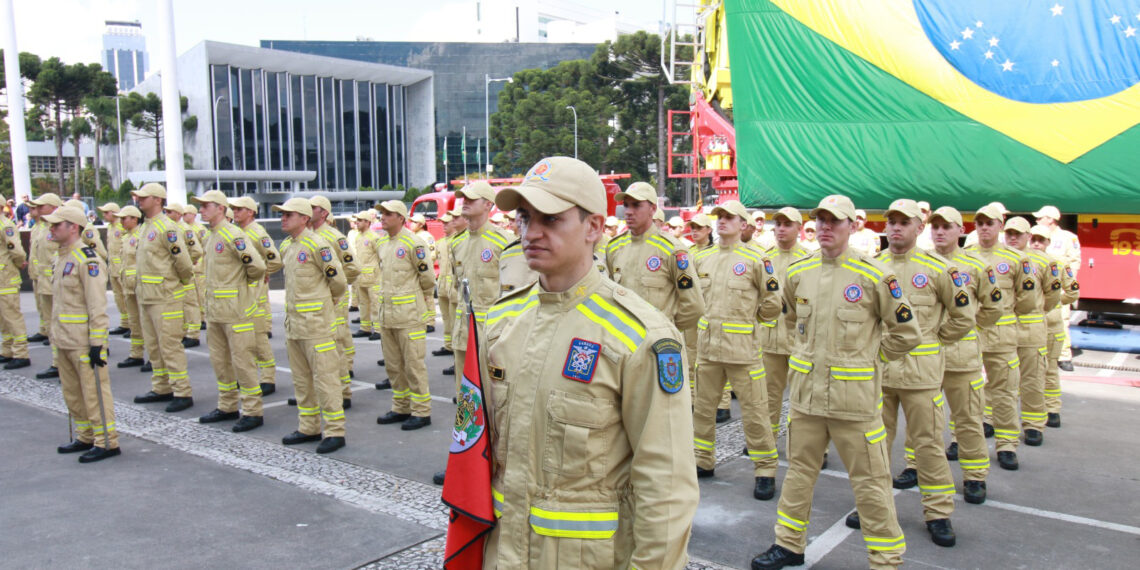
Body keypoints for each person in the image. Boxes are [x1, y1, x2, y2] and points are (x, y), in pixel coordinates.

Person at [484, 156, 699, 568]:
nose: (531, 232)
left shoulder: (639, 336)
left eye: (550, 218)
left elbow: (666, 483)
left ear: (594, 227)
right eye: (525, 218)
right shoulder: (500, 321)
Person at [752, 195, 920, 570]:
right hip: (807, 398)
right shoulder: (799, 272)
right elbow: (792, 316)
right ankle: (788, 545)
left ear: (852, 226)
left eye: (835, 221)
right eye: (821, 220)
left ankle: (886, 559)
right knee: (798, 472)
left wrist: (870, 358)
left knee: (872, 482)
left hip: (854, 402)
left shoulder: (875, 275)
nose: (826, 227)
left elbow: (907, 333)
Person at [845, 199, 973, 547]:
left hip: (921, 376)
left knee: (929, 445)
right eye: (892, 222)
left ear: (920, 227)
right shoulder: (871, 267)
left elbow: (963, 317)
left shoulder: (939, 268)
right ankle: (873, 507)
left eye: (905, 222)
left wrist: (932, 341)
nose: (897, 227)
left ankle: (938, 513)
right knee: (874, 447)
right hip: (880, 376)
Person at [692, 200, 782, 499]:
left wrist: (748, 322)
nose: (722, 222)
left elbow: (772, 303)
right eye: (719, 217)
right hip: (708, 349)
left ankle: (765, 469)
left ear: (743, 224)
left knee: (755, 413)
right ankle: (703, 460)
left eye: (729, 218)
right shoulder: (703, 259)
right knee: (703, 410)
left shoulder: (758, 259)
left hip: (743, 351)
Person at [926, 206, 1003, 504]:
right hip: (925, 359)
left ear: (960, 230)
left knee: (969, 419)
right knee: (925, 423)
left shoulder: (976, 265)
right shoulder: (920, 264)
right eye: (936, 227)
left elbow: (994, 306)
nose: (940, 232)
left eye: (947, 227)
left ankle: (974, 476)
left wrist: (967, 329)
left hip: (961, 357)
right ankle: (915, 466)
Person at [44, 205, 120, 463]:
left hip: (83, 341)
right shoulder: (61, 257)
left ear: (73, 227)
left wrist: (98, 341)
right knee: (72, 392)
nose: (51, 229)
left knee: (94, 391)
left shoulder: (87, 259)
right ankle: (85, 435)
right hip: (63, 338)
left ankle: (106, 442)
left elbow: (97, 304)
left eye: (57, 225)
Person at [274, 197, 348, 453]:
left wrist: (326, 305)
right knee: (302, 380)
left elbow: (338, 282)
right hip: (295, 325)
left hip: (317, 325)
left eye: (289, 214)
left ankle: (335, 431)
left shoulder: (318, 245)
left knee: (326, 379)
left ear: (304, 218)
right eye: (282, 214)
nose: (283, 218)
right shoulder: (288, 246)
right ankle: (308, 426)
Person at [965, 204, 1035, 470]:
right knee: (966, 394)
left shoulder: (1017, 259)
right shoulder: (963, 256)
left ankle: (1006, 444)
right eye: (980, 222)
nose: (984, 227)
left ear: (1000, 225)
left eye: (990, 223)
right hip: (970, 335)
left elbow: (1027, 301)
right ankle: (962, 440)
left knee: (1004, 392)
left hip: (1003, 336)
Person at [192, 190, 267, 431]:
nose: (201, 210)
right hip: (215, 312)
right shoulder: (210, 236)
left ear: (220, 209)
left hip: (236, 311)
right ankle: (227, 405)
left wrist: (240, 290)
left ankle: (253, 411)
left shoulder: (234, 235)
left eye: (206, 206)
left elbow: (257, 267)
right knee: (220, 361)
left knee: (242, 362)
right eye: (200, 206)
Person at [129, 183, 196, 413]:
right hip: (147, 296)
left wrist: (178, 284)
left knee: (169, 346)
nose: (139, 201)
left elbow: (184, 263)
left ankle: (182, 391)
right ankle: (161, 387)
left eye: (143, 198)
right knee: (154, 346)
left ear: (157, 200)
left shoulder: (167, 228)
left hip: (166, 296)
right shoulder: (146, 226)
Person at [606, 181, 704, 333]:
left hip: (656, 345)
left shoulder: (672, 250)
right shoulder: (614, 247)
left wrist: (665, 330)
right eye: (626, 205)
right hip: (623, 341)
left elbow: (694, 306)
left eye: (636, 205)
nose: (629, 211)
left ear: (652, 209)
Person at [373, 200, 437, 430]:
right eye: (382, 213)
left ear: (401, 218)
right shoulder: (382, 244)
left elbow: (427, 279)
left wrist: (421, 301)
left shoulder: (414, 242)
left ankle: (421, 411)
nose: (383, 217)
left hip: (409, 315)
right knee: (393, 365)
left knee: (413, 365)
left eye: (388, 214)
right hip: (387, 315)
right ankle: (401, 407)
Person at [1004, 216, 1062, 448]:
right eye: (1009, 233)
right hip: (1002, 329)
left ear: (1028, 237)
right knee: (1000, 382)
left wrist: (1033, 311)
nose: (1013, 238)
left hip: (1030, 328)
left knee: (1032, 379)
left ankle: (1033, 424)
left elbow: (1053, 296)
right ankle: (994, 422)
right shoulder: (996, 260)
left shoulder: (1044, 262)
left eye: (1018, 234)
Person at [759, 207, 811, 443]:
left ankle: (807, 444)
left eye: (787, 224)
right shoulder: (764, 258)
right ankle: (768, 437)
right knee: (769, 394)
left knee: (804, 396)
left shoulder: (809, 259)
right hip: (770, 338)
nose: (781, 229)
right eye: (777, 224)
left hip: (799, 340)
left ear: (799, 228)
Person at [309, 196, 361, 407]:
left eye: (312, 208)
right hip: (313, 303)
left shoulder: (334, 237)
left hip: (332, 300)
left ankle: (343, 392)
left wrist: (335, 290)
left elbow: (352, 267)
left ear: (323, 212)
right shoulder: (308, 236)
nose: (308, 210)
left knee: (334, 346)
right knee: (315, 348)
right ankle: (320, 391)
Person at [230, 196, 282, 395]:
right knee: (244, 338)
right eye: (234, 209)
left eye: (239, 209)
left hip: (255, 292)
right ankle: (249, 376)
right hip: (242, 292)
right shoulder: (238, 232)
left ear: (250, 212)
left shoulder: (257, 232)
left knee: (259, 336)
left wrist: (263, 274)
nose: (235, 212)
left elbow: (274, 260)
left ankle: (268, 378)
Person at [1028, 225, 1080, 427]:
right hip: (1030, 326)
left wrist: (1055, 302)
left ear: (1049, 242)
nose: (1037, 244)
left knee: (1049, 369)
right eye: (1034, 240)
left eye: (1041, 240)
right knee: (1029, 373)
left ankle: (1052, 409)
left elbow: (1073, 292)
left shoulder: (1059, 263)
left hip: (1051, 325)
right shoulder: (1020, 263)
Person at [1033, 205, 1081, 371]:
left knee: (1062, 320)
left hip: (1058, 288)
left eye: (1040, 218)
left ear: (1051, 219)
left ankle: (1064, 356)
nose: (1037, 220)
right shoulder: (1034, 234)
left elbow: (1074, 262)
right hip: (1037, 289)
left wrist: (1067, 284)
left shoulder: (1068, 238)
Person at [29, 193, 63, 379]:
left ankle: (64, 365)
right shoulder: (41, 227)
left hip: (58, 283)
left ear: (52, 206)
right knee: (51, 326)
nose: (38, 209)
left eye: (42, 206)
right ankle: (57, 362)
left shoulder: (62, 225)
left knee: (61, 325)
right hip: (43, 282)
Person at [164, 202, 204, 348]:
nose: (167, 215)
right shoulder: (169, 229)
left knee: (190, 303)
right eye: (166, 212)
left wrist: (188, 264)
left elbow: (197, 251)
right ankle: (184, 332)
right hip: (174, 274)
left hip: (185, 273)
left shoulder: (185, 229)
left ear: (178, 214)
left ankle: (193, 334)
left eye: (170, 212)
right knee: (178, 304)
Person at [113, 206, 147, 369]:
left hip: (140, 285)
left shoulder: (142, 235)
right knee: (134, 322)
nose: (121, 221)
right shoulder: (127, 237)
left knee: (147, 323)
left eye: (124, 218)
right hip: (128, 285)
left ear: (134, 219)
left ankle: (155, 359)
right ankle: (136, 353)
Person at [0, 196, 31, 370]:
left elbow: (17, 251)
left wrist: (19, 264)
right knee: (3, 319)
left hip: (6, 277)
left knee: (12, 316)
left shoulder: (6, 225)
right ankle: (7, 350)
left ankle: (21, 353)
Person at [97, 203, 130, 336]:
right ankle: (125, 323)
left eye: (106, 212)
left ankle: (133, 325)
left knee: (127, 297)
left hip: (123, 268)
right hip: (113, 268)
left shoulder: (122, 226)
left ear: (113, 212)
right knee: (119, 297)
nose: (104, 215)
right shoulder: (111, 227)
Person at [351, 212, 382, 339]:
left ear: (367, 222)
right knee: (363, 304)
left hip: (373, 278)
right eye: (357, 220)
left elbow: (381, 256)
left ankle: (379, 330)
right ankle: (365, 328)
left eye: (360, 220)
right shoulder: (358, 237)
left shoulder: (374, 237)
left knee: (376, 304)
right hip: (361, 277)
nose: (357, 222)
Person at [411, 212, 438, 332]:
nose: (411, 224)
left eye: (414, 222)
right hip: (415, 272)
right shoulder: (412, 236)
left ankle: (430, 322)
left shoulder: (427, 236)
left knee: (428, 298)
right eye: (411, 222)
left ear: (421, 224)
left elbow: (432, 254)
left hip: (425, 270)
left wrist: (421, 262)